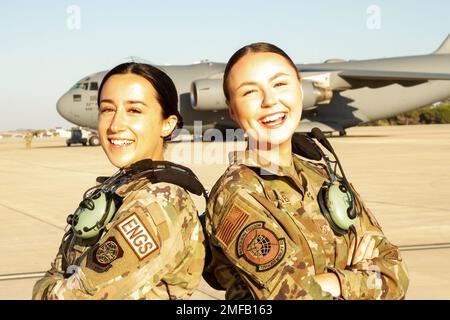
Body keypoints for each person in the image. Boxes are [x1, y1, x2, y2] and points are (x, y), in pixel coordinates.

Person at [203, 43, 409, 300]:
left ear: (300, 90)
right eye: (250, 93)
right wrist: (357, 276)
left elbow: (396, 272)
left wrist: (332, 283)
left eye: (280, 84)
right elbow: (292, 297)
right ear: (232, 109)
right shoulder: (238, 194)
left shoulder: (321, 175)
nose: (269, 101)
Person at [33, 63, 205, 300]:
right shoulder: (124, 186)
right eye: (107, 109)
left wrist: (46, 286)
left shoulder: (156, 204)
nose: (115, 125)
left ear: (168, 124)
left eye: (134, 110)